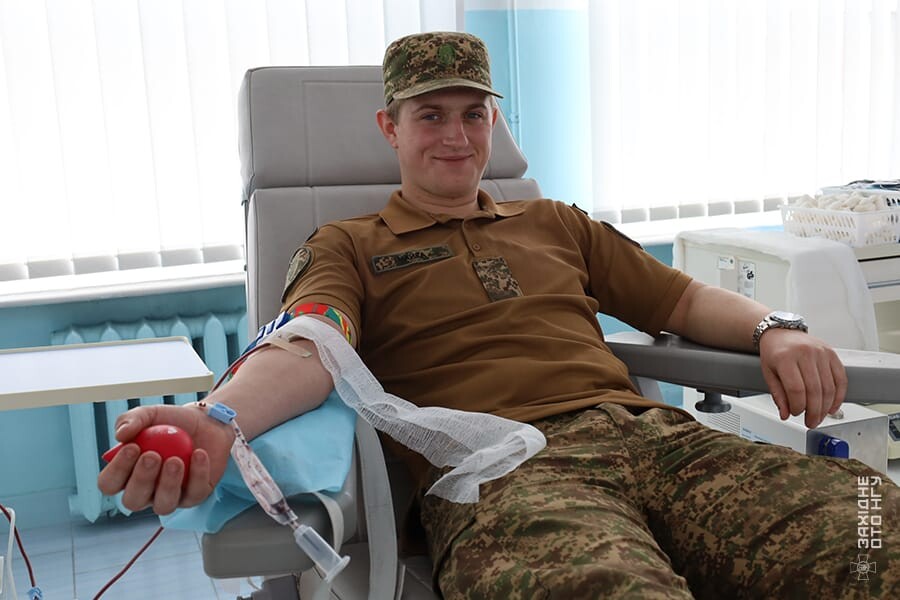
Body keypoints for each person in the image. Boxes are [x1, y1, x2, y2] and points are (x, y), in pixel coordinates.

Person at [99, 31, 899, 599]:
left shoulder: (557, 222)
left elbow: (682, 299)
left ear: (494, 123)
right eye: (430, 115)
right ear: (390, 128)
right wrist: (218, 416)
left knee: (869, 530)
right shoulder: (347, 243)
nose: (456, 136)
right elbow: (310, 345)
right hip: (505, 473)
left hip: (659, 442)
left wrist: (773, 328)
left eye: (473, 114)